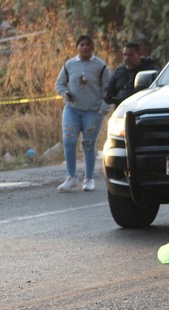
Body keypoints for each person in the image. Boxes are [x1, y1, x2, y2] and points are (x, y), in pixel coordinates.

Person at [55, 35, 112, 192]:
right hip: (72, 109)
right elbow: (59, 83)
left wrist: (103, 108)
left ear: (92, 48)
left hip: (92, 112)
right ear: (77, 47)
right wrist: (65, 93)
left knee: (88, 144)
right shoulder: (69, 65)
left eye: (88, 45)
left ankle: (89, 178)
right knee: (69, 141)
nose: (85, 47)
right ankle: (71, 177)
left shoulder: (101, 67)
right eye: (82, 44)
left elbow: (109, 89)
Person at [105, 41, 160, 106]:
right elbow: (108, 93)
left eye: (130, 55)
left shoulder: (150, 70)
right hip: (122, 108)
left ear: (139, 55)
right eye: (124, 55)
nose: (126, 58)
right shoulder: (119, 72)